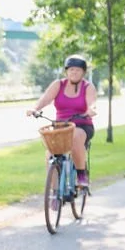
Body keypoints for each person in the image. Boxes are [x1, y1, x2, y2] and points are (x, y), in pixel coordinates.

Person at [26, 55, 96, 190]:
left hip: (82, 123)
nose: (74, 72)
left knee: (75, 137)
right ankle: (54, 191)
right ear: (66, 71)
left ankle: (81, 175)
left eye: (78, 70)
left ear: (83, 72)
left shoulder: (88, 87)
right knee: (50, 153)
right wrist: (35, 109)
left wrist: (91, 110)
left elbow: (92, 102)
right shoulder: (58, 85)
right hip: (61, 125)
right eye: (71, 70)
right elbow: (45, 99)